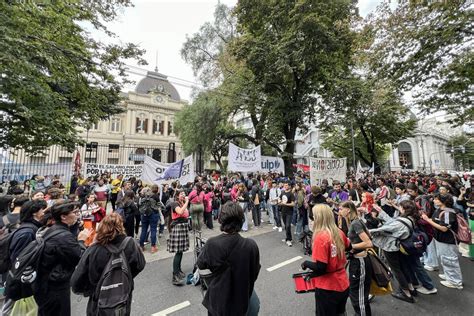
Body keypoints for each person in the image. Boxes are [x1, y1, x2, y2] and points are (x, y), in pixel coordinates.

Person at [71, 213, 146, 316]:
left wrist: (90, 288)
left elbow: (76, 282)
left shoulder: (94, 250)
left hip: (99, 299)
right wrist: (125, 275)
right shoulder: (130, 243)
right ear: (121, 226)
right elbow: (140, 264)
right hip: (123, 295)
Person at [197, 202, 260, 316]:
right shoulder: (251, 245)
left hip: (218, 304)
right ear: (241, 220)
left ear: (221, 219)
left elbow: (201, 264)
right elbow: (254, 273)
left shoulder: (212, 244)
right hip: (242, 302)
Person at [34, 202, 91, 316]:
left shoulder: (54, 229)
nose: (77, 215)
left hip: (45, 283)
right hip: (54, 287)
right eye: (74, 213)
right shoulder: (64, 236)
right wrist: (81, 241)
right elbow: (80, 258)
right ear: (63, 216)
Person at [301, 204, 350, 316]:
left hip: (328, 288)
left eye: (313, 216)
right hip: (342, 283)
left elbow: (321, 267)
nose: (311, 219)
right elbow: (349, 247)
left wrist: (306, 263)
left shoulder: (320, 237)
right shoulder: (338, 232)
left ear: (318, 218)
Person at [1, 199, 47, 315]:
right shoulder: (27, 233)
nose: (45, 213)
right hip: (19, 284)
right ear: (34, 213)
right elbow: (19, 261)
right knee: (9, 311)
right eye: (43, 210)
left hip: (21, 282)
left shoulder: (32, 229)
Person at [369, 204, 416, 303]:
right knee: (404, 267)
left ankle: (406, 293)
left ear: (403, 209)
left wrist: (365, 231)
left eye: (400, 207)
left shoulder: (400, 222)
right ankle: (411, 288)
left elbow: (385, 228)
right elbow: (391, 222)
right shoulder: (409, 219)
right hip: (401, 247)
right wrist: (381, 211)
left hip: (391, 247)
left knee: (396, 270)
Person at [421, 194, 463, 289]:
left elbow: (444, 228)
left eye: (436, 199)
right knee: (444, 258)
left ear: (443, 201)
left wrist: (428, 220)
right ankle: (449, 275)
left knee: (450, 259)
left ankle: (455, 281)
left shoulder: (448, 212)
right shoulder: (440, 210)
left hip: (448, 240)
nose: (434, 201)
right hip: (441, 239)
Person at [339, 201, 373, 316]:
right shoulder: (354, 222)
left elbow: (369, 243)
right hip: (356, 260)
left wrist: (350, 246)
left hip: (361, 261)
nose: (339, 211)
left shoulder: (355, 223)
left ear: (348, 209)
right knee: (355, 291)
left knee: (359, 295)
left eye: (341, 209)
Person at [167, 190, 190, 285]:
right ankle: (175, 275)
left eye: (184, 193)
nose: (184, 195)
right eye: (181, 194)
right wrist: (187, 202)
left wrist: (185, 202)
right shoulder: (174, 203)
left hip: (183, 226)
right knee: (178, 252)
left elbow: (187, 214)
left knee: (181, 251)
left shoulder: (182, 202)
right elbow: (180, 212)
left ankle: (178, 270)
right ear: (177, 195)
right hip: (178, 227)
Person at [279, 182, 295, 247]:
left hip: (289, 212)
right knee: (286, 226)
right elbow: (280, 199)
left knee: (288, 226)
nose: (285, 186)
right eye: (284, 185)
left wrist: (285, 204)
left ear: (289, 186)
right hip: (283, 211)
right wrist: (279, 201)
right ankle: (288, 238)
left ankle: (288, 240)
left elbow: (293, 204)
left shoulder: (291, 194)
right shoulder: (282, 192)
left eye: (286, 185)